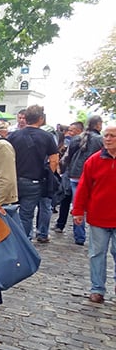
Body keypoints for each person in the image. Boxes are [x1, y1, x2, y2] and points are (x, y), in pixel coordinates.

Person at [71, 122, 116, 304]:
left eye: (112, 136)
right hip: (99, 216)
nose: (108, 139)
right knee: (97, 253)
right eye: (106, 135)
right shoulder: (94, 160)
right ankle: (97, 289)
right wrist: (78, 210)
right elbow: (83, 187)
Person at [7, 105, 58, 242]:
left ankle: (11, 240)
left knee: (10, 212)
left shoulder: (13, 135)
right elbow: (54, 160)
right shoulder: (47, 137)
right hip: (34, 181)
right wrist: (48, 175)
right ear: (40, 119)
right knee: (26, 215)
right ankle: (23, 242)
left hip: (13, 180)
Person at [64, 115, 103, 246]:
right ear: (98, 125)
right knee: (94, 205)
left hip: (75, 174)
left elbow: (68, 156)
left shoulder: (77, 138)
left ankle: (79, 236)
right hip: (92, 175)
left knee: (77, 205)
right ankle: (95, 233)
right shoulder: (100, 140)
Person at [54, 121, 83, 234]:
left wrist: (61, 166)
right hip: (71, 174)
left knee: (71, 201)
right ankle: (62, 224)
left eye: (71, 130)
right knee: (66, 199)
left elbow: (66, 158)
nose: (69, 133)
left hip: (73, 174)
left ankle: (73, 229)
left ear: (79, 131)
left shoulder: (76, 141)